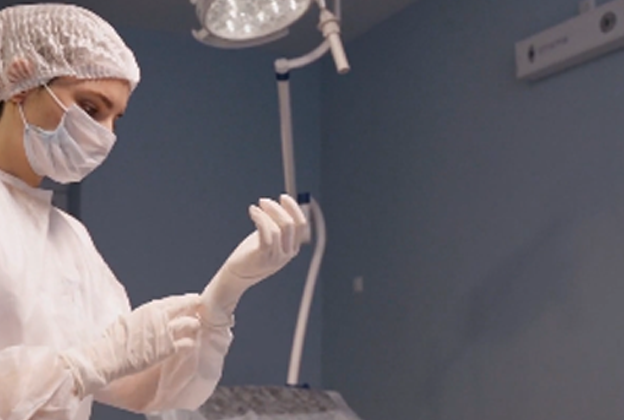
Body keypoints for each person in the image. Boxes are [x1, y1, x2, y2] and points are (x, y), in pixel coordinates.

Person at [0, 3, 308, 420]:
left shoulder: (68, 239)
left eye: (116, 119)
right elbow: (94, 364)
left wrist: (222, 296)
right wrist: (84, 366)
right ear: (19, 82)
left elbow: (143, 384)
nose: (104, 135)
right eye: (90, 108)